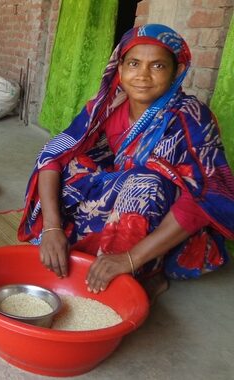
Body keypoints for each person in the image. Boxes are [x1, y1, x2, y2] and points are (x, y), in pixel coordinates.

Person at [18, 24, 234, 302]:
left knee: (144, 184)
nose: (143, 75)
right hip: (125, 198)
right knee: (73, 162)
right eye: (134, 63)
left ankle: (147, 271)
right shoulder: (105, 107)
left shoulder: (190, 118)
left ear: (177, 72)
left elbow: (205, 198)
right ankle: (85, 246)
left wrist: (130, 258)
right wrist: (52, 227)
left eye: (157, 66)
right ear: (119, 69)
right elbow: (52, 154)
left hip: (165, 221)